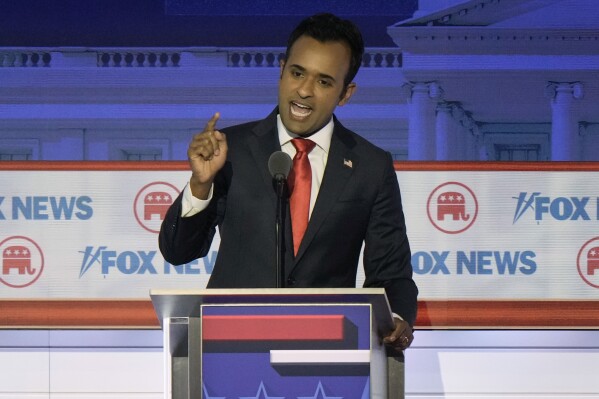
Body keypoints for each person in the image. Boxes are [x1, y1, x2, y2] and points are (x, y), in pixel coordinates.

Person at [159, 13, 418, 350]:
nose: (305, 91)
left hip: (329, 352)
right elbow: (178, 251)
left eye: (324, 82)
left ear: (346, 93)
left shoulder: (371, 165)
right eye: (297, 73)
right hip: (229, 346)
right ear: (281, 70)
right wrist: (200, 185)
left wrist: (397, 317)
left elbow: (391, 272)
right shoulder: (231, 149)